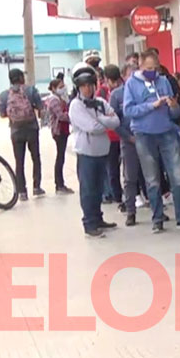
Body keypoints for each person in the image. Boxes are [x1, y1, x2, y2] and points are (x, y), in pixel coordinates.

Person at [123, 49, 180, 233]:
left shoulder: (164, 81)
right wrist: (151, 106)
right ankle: (157, 219)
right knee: (152, 179)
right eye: (148, 68)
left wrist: (173, 106)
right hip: (144, 134)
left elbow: (175, 114)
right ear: (140, 66)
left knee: (177, 176)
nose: (153, 72)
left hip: (167, 133)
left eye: (155, 68)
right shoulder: (131, 84)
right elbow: (128, 111)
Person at [68, 63, 120, 238]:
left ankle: (98, 219)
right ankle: (89, 223)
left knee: (99, 189)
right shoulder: (76, 105)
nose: (87, 89)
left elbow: (116, 121)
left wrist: (100, 120)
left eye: (90, 84)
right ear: (78, 87)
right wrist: (104, 120)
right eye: (83, 85)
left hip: (102, 151)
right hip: (86, 153)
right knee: (88, 190)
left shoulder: (101, 102)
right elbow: (92, 127)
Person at [0, 68, 45, 201]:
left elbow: (2, 114)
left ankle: (22, 192)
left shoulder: (4, 95)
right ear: (20, 78)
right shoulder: (31, 90)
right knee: (36, 158)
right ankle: (37, 187)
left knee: (19, 162)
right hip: (32, 129)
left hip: (16, 131)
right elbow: (40, 107)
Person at [110, 63, 144, 227]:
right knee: (130, 178)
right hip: (129, 141)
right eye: (130, 74)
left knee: (151, 176)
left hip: (147, 139)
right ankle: (131, 211)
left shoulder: (145, 91)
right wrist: (128, 137)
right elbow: (114, 121)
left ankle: (158, 211)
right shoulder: (117, 95)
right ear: (123, 76)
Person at [46, 79, 74, 194]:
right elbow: (61, 116)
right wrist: (73, 116)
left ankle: (60, 184)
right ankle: (59, 184)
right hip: (59, 131)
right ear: (53, 88)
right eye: (60, 87)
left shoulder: (60, 98)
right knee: (60, 157)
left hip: (63, 130)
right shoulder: (54, 100)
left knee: (61, 157)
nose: (63, 88)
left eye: (63, 86)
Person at [103, 65, 124, 206]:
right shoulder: (102, 92)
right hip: (111, 136)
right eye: (113, 82)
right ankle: (117, 196)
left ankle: (121, 194)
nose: (115, 84)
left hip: (120, 134)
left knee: (121, 167)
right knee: (113, 168)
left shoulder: (123, 90)